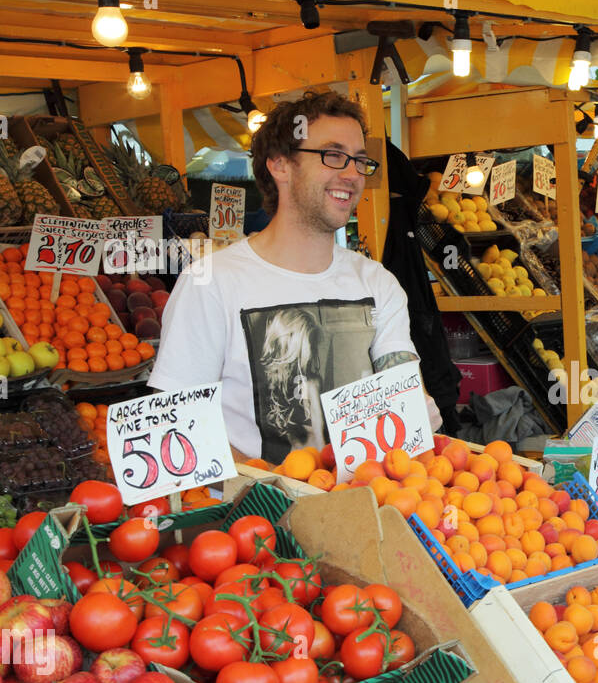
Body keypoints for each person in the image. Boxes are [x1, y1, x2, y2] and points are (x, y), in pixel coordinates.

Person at [150, 90, 441, 463]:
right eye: (333, 155)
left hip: (361, 507)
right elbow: (181, 425)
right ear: (280, 165)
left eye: (360, 160)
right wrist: (278, 489)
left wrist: (416, 405)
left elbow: (402, 385)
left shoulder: (377, 283)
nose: (352, 174)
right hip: (254, 515)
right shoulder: (210, 281)